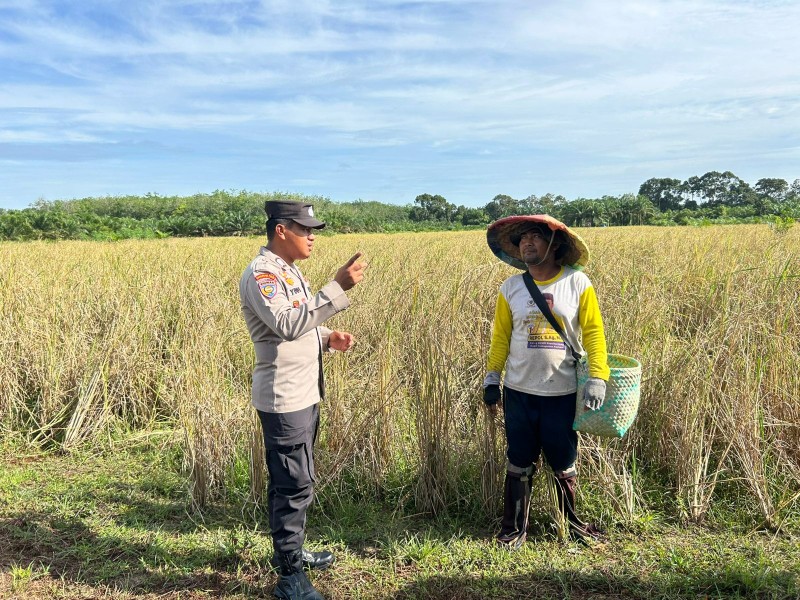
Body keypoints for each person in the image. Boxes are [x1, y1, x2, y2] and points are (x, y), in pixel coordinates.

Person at [239, 200, 365, 600]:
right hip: (284, 397)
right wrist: (337, 287)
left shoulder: (289, 272)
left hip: (304, 392)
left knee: (296, 480)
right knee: (293, 483)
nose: (313, 236)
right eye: (305, 229)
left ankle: (292, 552)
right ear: (281, 231)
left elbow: (299, 326)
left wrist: (329, 339)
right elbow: (288, 324)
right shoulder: (263, 275)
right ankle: (290, 578)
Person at [482, 214, 610, 548]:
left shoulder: (577, 284)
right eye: (523, 237)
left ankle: (569, 524)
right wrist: (492, 378)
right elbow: (501, 339)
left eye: (536, 236)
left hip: (562, 392)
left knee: (563, 459)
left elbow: (594, 333)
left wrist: (598, 376)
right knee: (519, 458)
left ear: (555, 245)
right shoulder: (510, 288)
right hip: (519, 392)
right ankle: (514, 529)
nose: (527, 242)